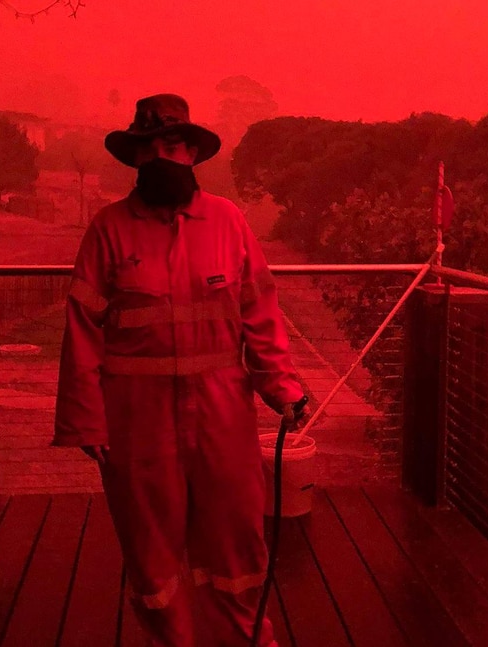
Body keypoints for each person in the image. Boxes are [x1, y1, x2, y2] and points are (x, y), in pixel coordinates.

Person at [53, 93, 309, 647]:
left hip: (222, 415)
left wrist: (283, 386)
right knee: (152, 554)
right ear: (136, 158)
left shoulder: (228, 222)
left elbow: (260, 311)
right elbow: (82, 330)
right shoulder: (108, 230)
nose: (162, 159)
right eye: (150, 150)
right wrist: (86, 420)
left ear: (193, 152)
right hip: (135, 421)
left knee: (236, 541)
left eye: (173, 147)